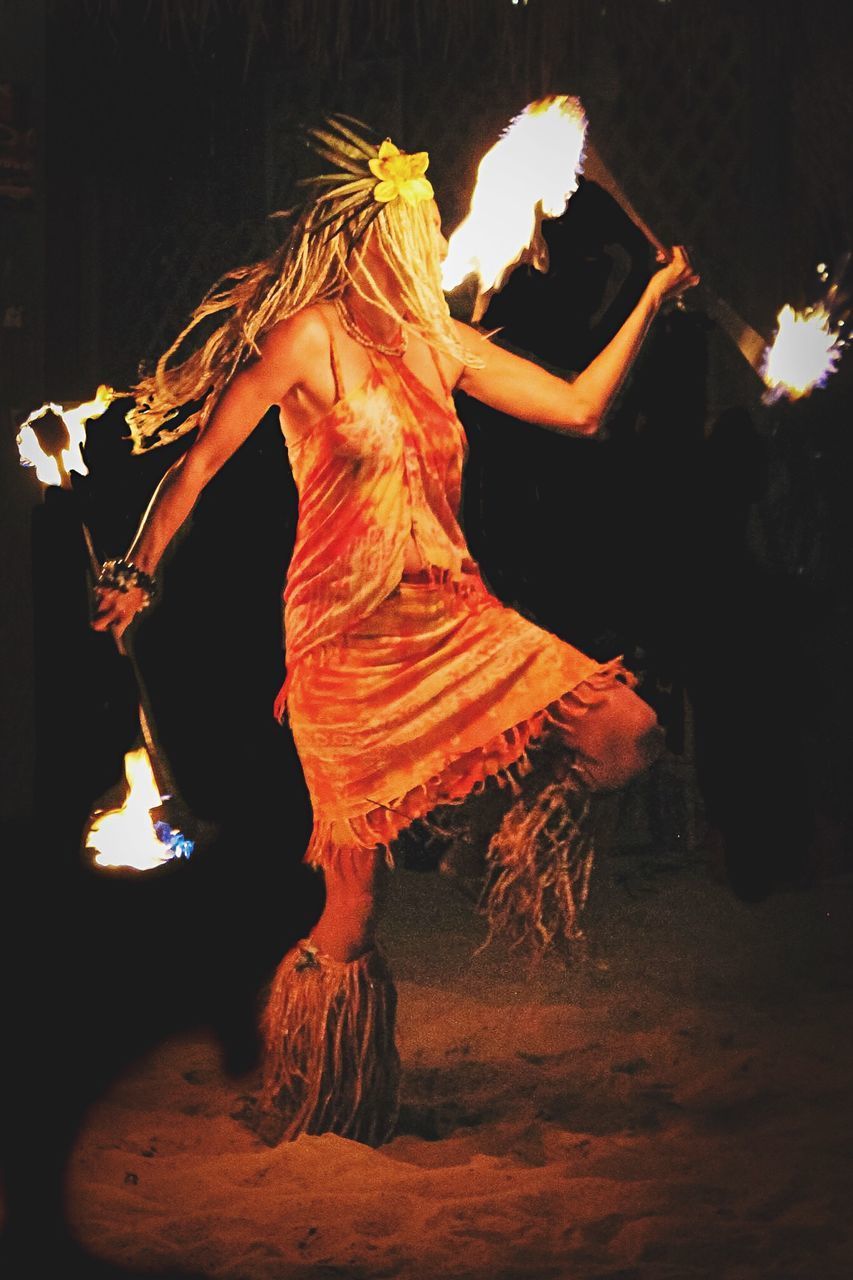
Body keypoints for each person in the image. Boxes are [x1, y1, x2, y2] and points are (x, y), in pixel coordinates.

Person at [92, 118, 698, 1146]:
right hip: (340, 643)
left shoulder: (442, 343)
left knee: (625, 728)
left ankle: (478, 834)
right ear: (367, 237)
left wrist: (649, 299)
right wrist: (137, 570)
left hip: (452, 617)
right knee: (355, 910)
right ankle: (317, 1086)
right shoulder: (311, 336)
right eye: (410, 229)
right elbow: (197, 463)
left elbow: (583, 411)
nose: (429, 246)